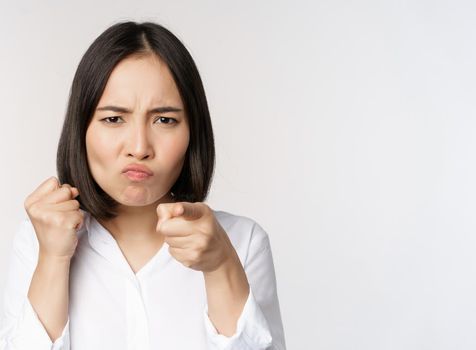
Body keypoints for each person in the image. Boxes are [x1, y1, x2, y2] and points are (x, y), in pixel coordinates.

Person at [0, 21, 286, 349]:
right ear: (81, 129)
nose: (139, 146)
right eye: (113, 118)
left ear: (193, 132)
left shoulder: (243, 242)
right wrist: (52, 257)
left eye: (164, 120)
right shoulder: (36, 244)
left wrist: (221, 265)